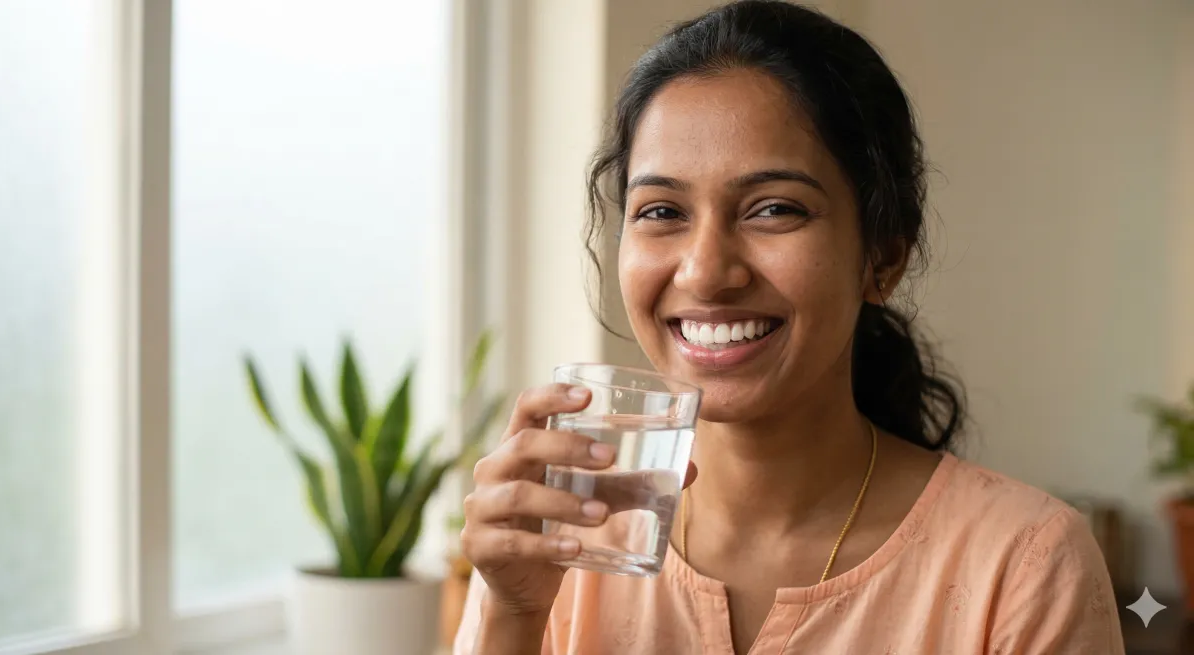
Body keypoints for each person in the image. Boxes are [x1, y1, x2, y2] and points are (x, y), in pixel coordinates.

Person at [453, 1, 1125, 653]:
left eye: (773, 208)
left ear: (883, 256)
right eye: (661, 211)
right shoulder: (562, 543)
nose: (707, 271)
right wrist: (510, 611)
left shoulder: (1025, 563)